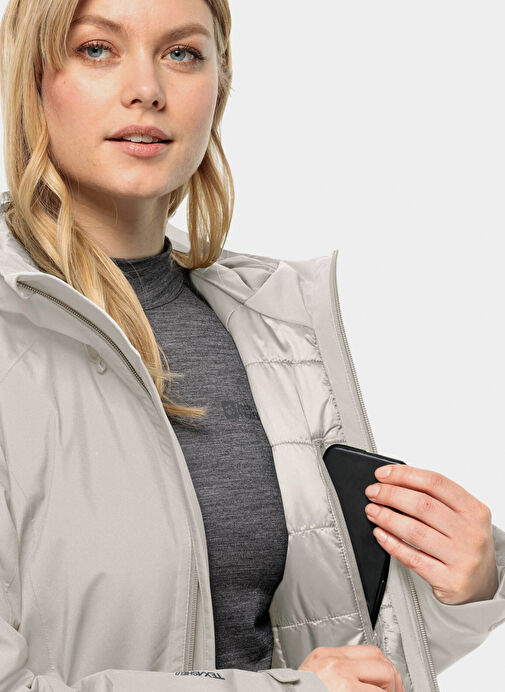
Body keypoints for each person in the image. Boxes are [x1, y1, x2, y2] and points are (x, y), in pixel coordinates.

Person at [0, 1, 504, 691]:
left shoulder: (268, 322)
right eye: (96, 49)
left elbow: (326, 650)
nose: (147, 88)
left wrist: (467, 588)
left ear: (219, 83)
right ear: (30, 75)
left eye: (182, 53)